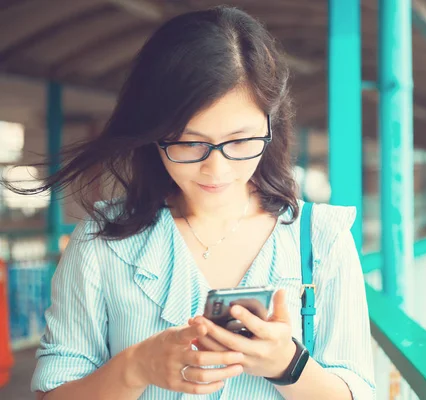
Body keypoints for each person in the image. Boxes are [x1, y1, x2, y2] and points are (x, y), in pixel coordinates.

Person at [2, 6, 375, 400]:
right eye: (189, 142)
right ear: (153, 134)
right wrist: (136, 367)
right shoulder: (100, 244)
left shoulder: (320, 240)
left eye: (240, 140)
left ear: (272, 124)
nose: (216, 169)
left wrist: (289, 365)